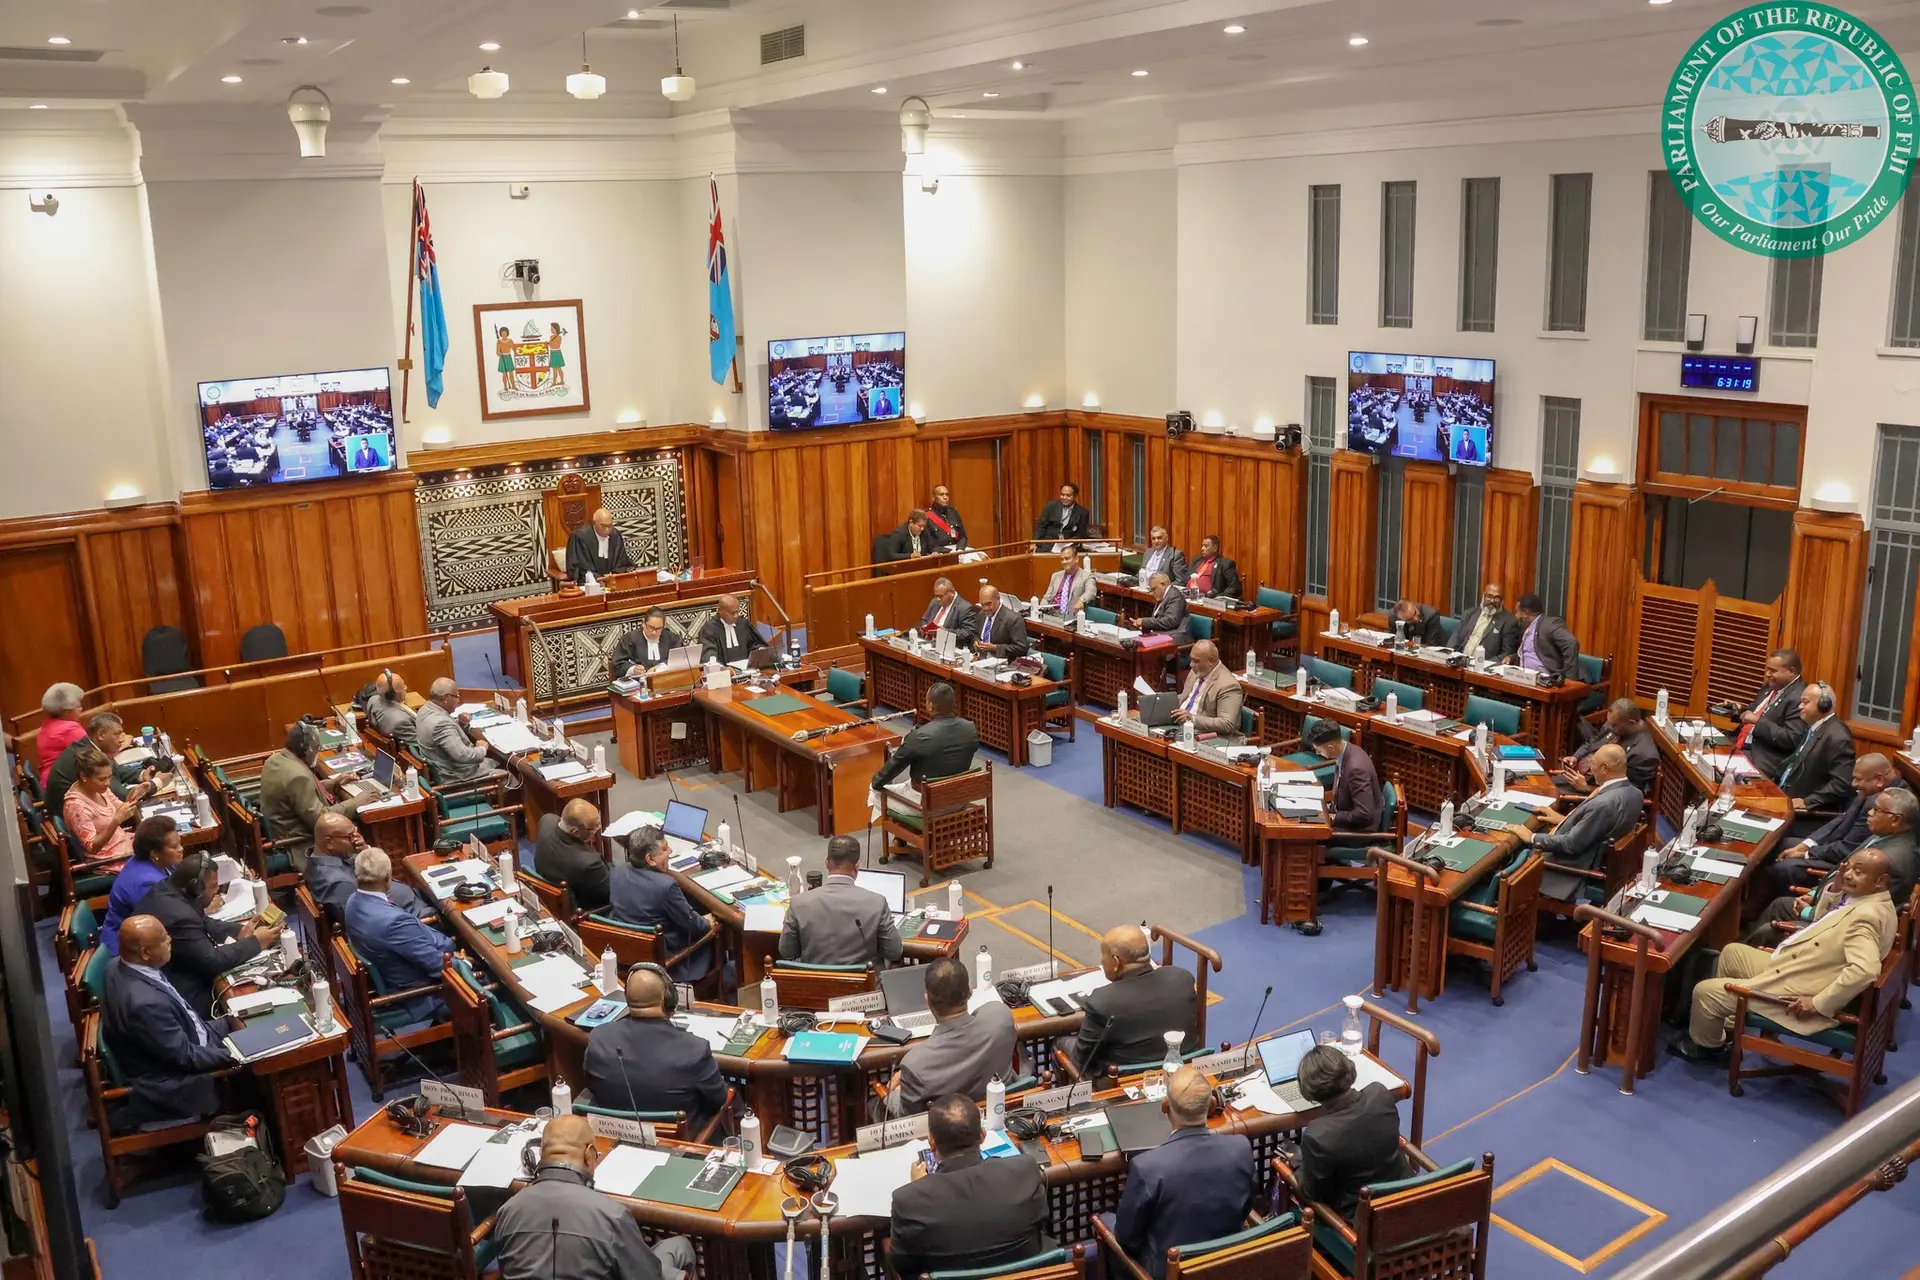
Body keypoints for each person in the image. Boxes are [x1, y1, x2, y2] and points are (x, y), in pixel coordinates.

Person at [1672, 848, 1899, 1065]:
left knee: (1705, 992)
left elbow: (1865, 970)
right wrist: (1837, 888)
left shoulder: (1866, 917)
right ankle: (1730, 1025)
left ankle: (1710, 1048)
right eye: (1848, 868)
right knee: (1733, 953)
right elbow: (1823, 919)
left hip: (1800, 992)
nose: (1849, 874)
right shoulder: (1870, 900)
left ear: (1881, 880)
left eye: (1858, 872)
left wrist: (1819, 1004)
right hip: (1800, 968)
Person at [492, 1113, 698, 1280]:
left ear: (540, 1155)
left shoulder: (507, 1211)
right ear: (589, 1155)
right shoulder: (612, 1216)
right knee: (680, 1246)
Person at [1106, 1066, 1259, 1278]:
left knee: (1106, 1221)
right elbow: (1246, 1208)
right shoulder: (1241, 1148)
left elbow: (1126, 1238)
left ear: (1165, 1107)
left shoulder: (1147, 1167)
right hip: (1227, 1263)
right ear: (1212, 1105)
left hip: (1171, 1271)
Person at [887, 1094, 1052, 1278]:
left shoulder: (909, 1200)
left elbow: (902, 1265)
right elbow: (1041, 1224)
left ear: (931, 1142)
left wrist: (921, 1188)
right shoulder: (1025, 1170)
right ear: (982, 1136)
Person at [102, 916, 236, 1125]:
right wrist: (237, 1054)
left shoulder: (116, 966)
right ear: (145, 953)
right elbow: (187, 1058)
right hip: (172, 1084)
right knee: (261, 1056)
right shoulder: (144, 1005)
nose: (170, 940)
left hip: (194, 1032)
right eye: (164, 939)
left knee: (248, 1017)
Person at [1746, 788, 1920, 945]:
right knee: (1780, 904)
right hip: (1829, 906)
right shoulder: (1884, 836)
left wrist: (1810, 912)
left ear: (1896, 820)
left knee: (1768, 931)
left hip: (1837, 932)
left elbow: (1853, 911)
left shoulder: (1891, 861)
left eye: (1877, 810)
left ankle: (1739, 959)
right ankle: (1741, 942)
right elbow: (1840, 870)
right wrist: (1815, 894)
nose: (1870, 813)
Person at [581, 968, 729, 1134]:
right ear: (668, 999)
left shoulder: (599, 1037)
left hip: (612, 1139)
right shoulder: (695, 1050)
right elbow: (719, 1099)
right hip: (679, 1143)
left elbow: (592, 1085)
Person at [135, 850, 280, 1016]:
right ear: (194, 887)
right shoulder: (179, 916)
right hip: (182, 995)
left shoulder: (169, 889)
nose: (217, 890)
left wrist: (241, 931)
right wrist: (257, 942)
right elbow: (213, 960)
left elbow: (204, 922)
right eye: (213, 886)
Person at [1753, 756, 1909, 906]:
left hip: (1844, 863)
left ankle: (1753, 912)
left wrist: (1808, 853)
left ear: (1879, 780)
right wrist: (1807, 845)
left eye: (1858, 779)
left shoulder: (1883, 804)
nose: (1853, 784)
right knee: (1781, 843)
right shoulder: (1872, 792)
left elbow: (1847, 849)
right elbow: (1842, 819)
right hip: (1838, 849)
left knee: (1780, 869)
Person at [1290, 1044, 1413, 1220]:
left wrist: (1300, 1166)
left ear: (1309, 1091)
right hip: (1407, 1200)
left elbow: (1313, 1194)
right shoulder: (1380, 1093)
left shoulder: (1317, 1135)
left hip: (1362, 1224)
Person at [1505, 744, 1643, 900]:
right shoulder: (1635, 794)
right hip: (1595, 854)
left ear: (1605, 768)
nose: (1590, 770)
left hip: (1568, 867)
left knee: (1510, 858)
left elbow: (1570, 844)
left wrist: (1531, 837)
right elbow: (1600, 827)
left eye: (1593, 765)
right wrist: (1563, 819)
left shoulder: (1603, 804)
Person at [884, 956, 1018, 1117]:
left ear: (927, 999)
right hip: (1003, 1115)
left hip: (950, 1134)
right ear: (969, 991)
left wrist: (895, 1092)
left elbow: (905, 1116)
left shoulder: (915, 1064)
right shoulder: (1000, 1015)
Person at [1070, 925, 1198, 1077]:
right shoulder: (1182, 978)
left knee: (1061, 1044)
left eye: (1103, 955)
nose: (1101, 960)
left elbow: (1081, 1060)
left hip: (1125, 1082)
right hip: (1183, 1073)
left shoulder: (1102, 1002)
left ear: (1116, 962)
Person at [344, 848, 456, 1021]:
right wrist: (464, 963)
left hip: (393, 969)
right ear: (388, 876)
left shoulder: (353, 902)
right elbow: (437, 966)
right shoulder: (395, 923)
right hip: (421, 991)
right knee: (490, 975)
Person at [606, 827, 716, 984]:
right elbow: (697, 927)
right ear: (650, 859)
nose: (670, 851)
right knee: (719, 926)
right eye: (664, 849)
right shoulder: (666, 886)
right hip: (666, 960)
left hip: (625, 953)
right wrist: (709, 920)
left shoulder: (617, 871)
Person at [259, 721, 370, 870]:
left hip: (282, 827)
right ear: (307, 750)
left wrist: (334, 783)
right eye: (317, 748)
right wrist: (356, 802)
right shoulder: (298, 776)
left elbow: (300, 792)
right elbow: (322, 820)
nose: (317, 752)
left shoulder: (276, 760)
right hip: (298, 842)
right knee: (359, 838)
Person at [778, 835, 903, 966]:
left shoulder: (798, 903)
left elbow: (787, 952)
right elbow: (894, 952)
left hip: (815, 984)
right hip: (865, 985)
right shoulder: (877, 903)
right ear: (857, 866)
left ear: (826, 862)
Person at [44, 710, 172, 818]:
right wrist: (157, 783)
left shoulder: (88, 745)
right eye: (117, 734)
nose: (122, 739)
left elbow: (114, 769)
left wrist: (142, 774)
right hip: (76, 819)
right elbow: (123, 797)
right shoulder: (87, 757)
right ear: (101, 735)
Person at [306, 811, 432, 921]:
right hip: (414, 915)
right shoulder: (338, 884)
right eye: (350, 836)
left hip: (411, 899)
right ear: (329, 842)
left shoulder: (327, 858)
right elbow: (373, 919)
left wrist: (365, 850)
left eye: (356, 832)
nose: (355, 839)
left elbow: (370, 870)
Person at [102, 817, 185, 956]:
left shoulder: (155, 862)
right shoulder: (146, 883)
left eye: (180, 843)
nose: (181, 849)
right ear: (154, 854)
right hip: (128, 950)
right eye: (174, 846)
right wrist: (202, 906)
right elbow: (172, 921)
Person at [872, 683, 979, 790]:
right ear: (954, 704)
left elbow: (894, 767)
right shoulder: (970, 728)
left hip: (926, 800)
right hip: (959, 795)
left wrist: (875, 783)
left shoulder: (919, 736)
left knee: (874, 793)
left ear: (930, 706)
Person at [1777, 681, 1856, 818]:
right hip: (1785, 798)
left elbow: (1841, 785)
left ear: (1824, 706)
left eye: (1805, 702)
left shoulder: (1838, 738)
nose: (1799, 706)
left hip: (1807, 814)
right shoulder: (1814, 728)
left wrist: (1806, 802)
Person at [62, 747, 149, 866]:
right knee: (160, 856)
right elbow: (92, 847)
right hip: (108, 859)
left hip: (122, 842)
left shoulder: (99, 788)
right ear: (84, 776)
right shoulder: (76, 807)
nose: (108, 783)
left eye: (110, 777)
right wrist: (116, 821)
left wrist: (133, 796)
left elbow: (120, 807)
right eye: (102, 779)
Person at [1736, 649, 1808, 780]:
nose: (1768, 674)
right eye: (1767, 669)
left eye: (1773, 671)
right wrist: (1738, 709)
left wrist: (1759, 721)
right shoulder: (1772, 686)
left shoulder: (1798, 698)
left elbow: (1791, 738)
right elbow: (1755, 711)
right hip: (1742, 744)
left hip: (1763, 757)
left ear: (1791, 671)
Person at [1562, 698, 1659, 795]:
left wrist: (1586, 788)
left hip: (1595, 795)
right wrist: (1575, 757)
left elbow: (1628, 794)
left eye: (1614, 725)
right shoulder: (1613, 724)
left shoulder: (1644, 755)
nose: (1610, 727)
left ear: (1631, 723)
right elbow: (1592, 743)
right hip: (1579, 776)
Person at [532, 798, 611, 914]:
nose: (598, 828)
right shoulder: (589, 863)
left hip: (549, 893)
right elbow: (609, 893)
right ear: (575, 832)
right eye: (595, 828)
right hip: (583, 911)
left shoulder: (546, 821)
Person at [415, 678, 497, 785]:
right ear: (446, 698)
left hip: (446, 769)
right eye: (457, 696)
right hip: (459, 778)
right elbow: (462, 755)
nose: (459, 700)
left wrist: (460, 723)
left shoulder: (424, 709)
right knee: (511, 779)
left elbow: (443, 736)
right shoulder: (441, 724)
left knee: (497, 762)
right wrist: (482, 749)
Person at [1306, 719, 1381, 832]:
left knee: (1307, 833)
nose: (1317, 753)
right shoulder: (1347, 751)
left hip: (1357, 831)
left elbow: (1364, 813)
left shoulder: (1356, 769)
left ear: (1331, 747)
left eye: (1319, 751)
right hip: (1342, 812)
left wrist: (1334, 817)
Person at [1502, 594, 1581, 681]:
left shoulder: (1549, 624)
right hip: (1524, 679)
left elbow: (1571, 643)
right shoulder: (1527, 628)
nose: (1516, 615)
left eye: (1517, 612)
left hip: (1546, 681)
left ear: (1525, 613)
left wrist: (1570, 680)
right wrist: (1512, 658)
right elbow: (1531, 652)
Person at [1173, 640, 1244, 736]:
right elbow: (1186, 697)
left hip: (1207, 736)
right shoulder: (1196, 670)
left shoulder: (1228, 686)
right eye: (1191, 659)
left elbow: (1227, 724)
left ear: (1210, 661)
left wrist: (1192, 718)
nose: (1191, 665)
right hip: (1180, 726)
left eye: (1196, 661)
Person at [36, 681, 87, 788]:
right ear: (65, 712)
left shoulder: (47, 726)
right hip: (65, 787)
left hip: (52, 783)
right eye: (78, 706)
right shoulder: (69, 730)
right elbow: (95, 758)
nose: (81, 709)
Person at [565, 507, 635, 583]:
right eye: (603, 526)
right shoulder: (580, 537)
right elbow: (583, 568)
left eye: (610, 525)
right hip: (590, 584)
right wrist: (602, 580)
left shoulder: (615, 535)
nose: (607, 530)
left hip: (613, 582)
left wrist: (614, 576)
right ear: (594, 523)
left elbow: (621, 562)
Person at [1449, 582, 1516, 659]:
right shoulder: (1469, 613)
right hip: (1459, 660)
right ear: (1483, 596)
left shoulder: (1509, 621)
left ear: (1502, 600)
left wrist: (1485, 665)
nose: (1492, 601)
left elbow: (1506, 653)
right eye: (1489, 596)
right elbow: (1455, 638)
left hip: (1483, 665)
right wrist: (1450, 655)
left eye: (1497, 598)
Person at [697, 594, 768, 666]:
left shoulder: (743, 624)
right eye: (732, 613)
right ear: (720, 611)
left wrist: (760, 650)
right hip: (723, 673)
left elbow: (753, 644)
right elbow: (709, 657)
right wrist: (722, 668)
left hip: (747, 670)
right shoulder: (709, 629)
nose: (736, 616)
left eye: (737, 611)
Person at [1130, 572, 1191, 645]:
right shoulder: (1164, 596)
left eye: (1153, 589)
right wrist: (1144, 626)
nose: (1151, 593)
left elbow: (1170, 621)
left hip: (1175, 638)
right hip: (1164, 635)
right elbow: (1158, 620)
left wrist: (1144, 622)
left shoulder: (1174, 596)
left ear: (1163, 584)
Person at [970, 585, 1031, 659]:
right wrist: (976, 642)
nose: (985, 608)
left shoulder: (1013, 619)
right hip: (979, 660)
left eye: (988, 604)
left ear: (998, 599)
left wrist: (995, 648)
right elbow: (975, 635)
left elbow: (1021, 648)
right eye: (983, 605)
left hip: (1002, 663)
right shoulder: (981, 614)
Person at [612, 609, 674, 676]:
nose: (654, 632)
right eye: (651, 627)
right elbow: (618, 664)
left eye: (658, 629)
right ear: (643, 623)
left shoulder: (671, 638)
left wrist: (659, 668)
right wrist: (633, 669)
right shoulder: (629, 639)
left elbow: (679, 659)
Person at [365, 670, 417, 750]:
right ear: (393, 694)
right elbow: (420, 745)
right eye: (402, 687)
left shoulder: (372, 700)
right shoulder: (401, 722)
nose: (405, 687)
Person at [1184, 535, 1242, 600]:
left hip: (1208, 601)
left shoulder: (1225, 564)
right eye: (1202, 545)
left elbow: (1234, 587)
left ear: (1215, 548)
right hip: (1187, 596)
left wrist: (1218, 598)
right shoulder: (1197, 560)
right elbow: (1186, 578)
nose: (1202, 548)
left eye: (1206, 546)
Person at [1042, 546, 1097, 614]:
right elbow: (1047, 598)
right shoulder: (1055, 576)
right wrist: (1040, 610)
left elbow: (1091, 592)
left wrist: (1081, 600)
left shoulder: (1087, 576)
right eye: (1062, 559)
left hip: (1071, 616)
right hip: (1052, 615)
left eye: (1067, 558)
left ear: (1076, 559)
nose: (1064, 562)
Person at [925, 484, 968, 550]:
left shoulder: (953, 512)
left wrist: (960, 549)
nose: (945, 497)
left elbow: (963, 536)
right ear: (933, 497)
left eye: (947, 494)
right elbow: (929, 544)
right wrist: (949, 552)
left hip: (958, 548)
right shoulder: (927, 516)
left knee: (983, 556)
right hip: (942, 551)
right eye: (941, 495)